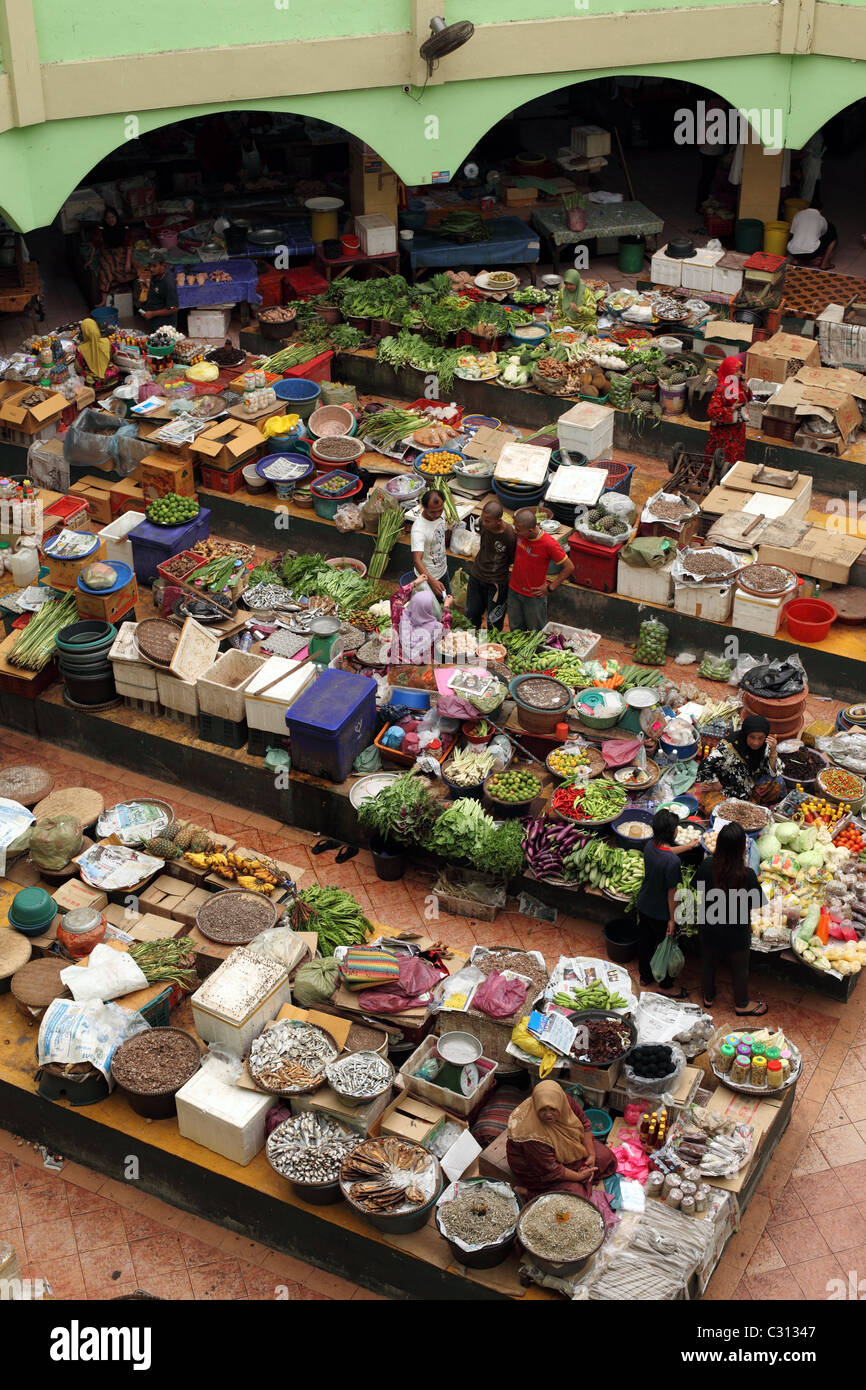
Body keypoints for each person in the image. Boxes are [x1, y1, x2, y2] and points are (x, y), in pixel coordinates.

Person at [695, 822, 767, 1016]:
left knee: (708, 962)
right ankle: (741, 1003)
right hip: (736, 931)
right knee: (740, 968)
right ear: (742, 849)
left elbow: (698, 889)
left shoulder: (706, 866)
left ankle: (708, 997)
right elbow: (758, 903)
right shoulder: (747, 875)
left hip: (709, 925)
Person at [506, 1081, 617, 1203]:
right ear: (536, 1106)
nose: (548, 1115)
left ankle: (581, 1172)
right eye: (543, 1110)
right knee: (575, 1197)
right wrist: (579, 1176)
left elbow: (585, 1124)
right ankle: (529, 1193)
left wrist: (591, 1156)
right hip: (537, 1169)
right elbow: (552, 1170)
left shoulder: (564, 1101)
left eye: (553, 1109)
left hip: (567, 1146)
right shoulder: (531, 1135)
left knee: (606, 1158)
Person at [635, 808, 700, 999]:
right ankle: (665, 985)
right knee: (666, 946)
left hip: (644, 902)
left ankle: (645, 977)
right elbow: (672, 893)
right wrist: (672, 920)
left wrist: (688, 846)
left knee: (645, 942)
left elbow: (666, 850)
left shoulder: (649, 846)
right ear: (672, 833)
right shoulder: (671, 862)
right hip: (661, 911)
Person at [700, 714, 785, 813]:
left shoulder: (766, 746)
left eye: (760, 738)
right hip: (728, 787)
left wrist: (773, 752)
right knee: (715, 808)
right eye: (752, 737)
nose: (756, 742)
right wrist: (718, 783)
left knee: (779, 783)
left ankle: (750, 801)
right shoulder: (728, 745)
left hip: (752, 784)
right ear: (745, 734)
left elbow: (773, 771)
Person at [507, 508, 573, 631]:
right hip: (514, 591)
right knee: (515, 630)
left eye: (518, 530)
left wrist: (550, 587)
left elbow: (569, 567)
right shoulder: (521, 535)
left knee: (535, 632)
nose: (515, 532)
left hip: (533, 596)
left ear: (530, 530)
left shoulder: (549, 544)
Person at [465, 499, 515, 630]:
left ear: (498, 521)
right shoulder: (482, 524)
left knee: (494, 620)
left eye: (488, 520)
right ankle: (473, 643)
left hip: (496, 582)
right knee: (471, 613)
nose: (483, 522)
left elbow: (511, 558)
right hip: (477, 575)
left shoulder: (509, 535)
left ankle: (490, 646)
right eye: (483, 519)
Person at [388, 577, 452, 665]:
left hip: (396, 663)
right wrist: (446, 606)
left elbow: (396, 597)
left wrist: (414, 583)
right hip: (419, 671)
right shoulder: (436, 628)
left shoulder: (400, 616)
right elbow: (446, 625)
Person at [706, 356, 751, 467]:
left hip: (737, 433)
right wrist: (731, 409)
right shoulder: (720, 390)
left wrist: (746, 388)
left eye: (740, 370)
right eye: (736, 371)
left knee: (735, 459)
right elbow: (712, 411)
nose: (739, 373)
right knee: (721, 461)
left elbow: (747, 399)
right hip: (723, 435)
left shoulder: (737, 385)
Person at [410, 489, 450, 598]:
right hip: (427, 579)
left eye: (440, 510)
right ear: (424, 507)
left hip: (443, 571)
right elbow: (417, 560)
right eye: (433, 512)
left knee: (446, 605)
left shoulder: (442, 513)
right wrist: (432, 581)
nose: (437, 514)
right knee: (431, 612)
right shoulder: (419, 529)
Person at [93, 209, 133, 306]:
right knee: (105, 269)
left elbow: (129, 246)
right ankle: (103, 300)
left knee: (130, 268)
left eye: (112, 217)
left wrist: (128, 262)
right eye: (108, 218)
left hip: (121, 252)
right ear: (105, 219)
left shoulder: (123, 228)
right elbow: (95, 245)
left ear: (116, 217)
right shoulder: (102, 229)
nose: (110, 220)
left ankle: (115, 283)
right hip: (107, 252)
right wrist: (90, 259)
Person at [74, 317, 119, 391]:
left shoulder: (81, 349)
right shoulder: (106, 342)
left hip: (94, 385)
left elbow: (78, 368)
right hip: (112, 379)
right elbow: (115, 354)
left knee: (84, 374)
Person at [788, 204, 837, 270]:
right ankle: (824, 264)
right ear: (820, 210)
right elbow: (823, 234)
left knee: (794, 235)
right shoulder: (821, 219)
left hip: (793, 252)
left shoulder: (798, 214)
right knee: (832, 236)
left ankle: (795, 261)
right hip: (811, 254)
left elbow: (792, 231)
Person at [139, 253, 179, 331]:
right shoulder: (155, 275)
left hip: (165, 325)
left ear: (162, 265)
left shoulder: (168, 283)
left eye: (154, 266)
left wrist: (152, 314)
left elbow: (173, 308)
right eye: (150, 265)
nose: (151, 269)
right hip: (155, 321)